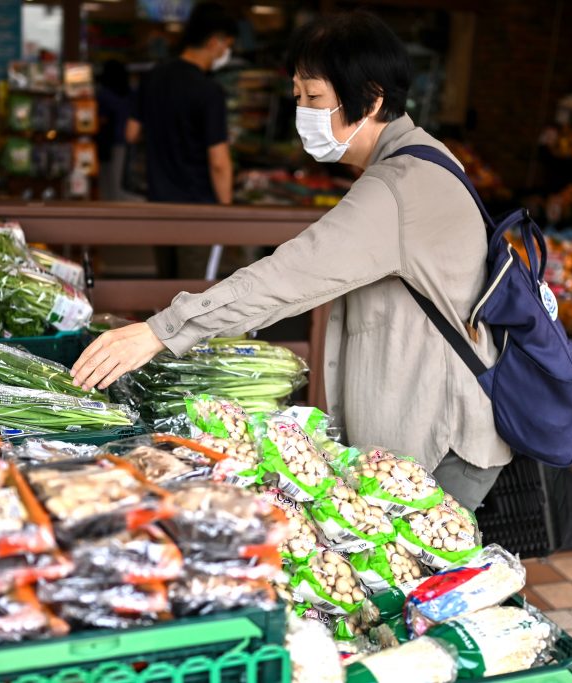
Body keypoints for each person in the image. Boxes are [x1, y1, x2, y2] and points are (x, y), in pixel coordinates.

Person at [72, 11, 510, 510]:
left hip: (437, 441)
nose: (302, 110)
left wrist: (160, 331)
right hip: (426, 430)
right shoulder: (422, 158)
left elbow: (285, 276)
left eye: (314, 97)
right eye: (297, 96)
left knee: (421, 580)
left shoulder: (398, 187)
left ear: (370, 97)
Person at [127, 2, 237, 278]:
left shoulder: (152, 77)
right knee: (194, 291)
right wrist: (227, 211)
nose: (227, 53)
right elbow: (219, 162)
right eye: (227, 45)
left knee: (165, 282)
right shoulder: (209, 92)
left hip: (158, 201)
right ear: (214, 42)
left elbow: (131, 133)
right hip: (198, 209)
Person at [96, 60, 134, 201]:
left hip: (109, 144)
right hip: (127, 143)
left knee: (108, 184)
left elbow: (101, 120)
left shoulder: (104, 95)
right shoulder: (131, 93)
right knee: (121, 183)